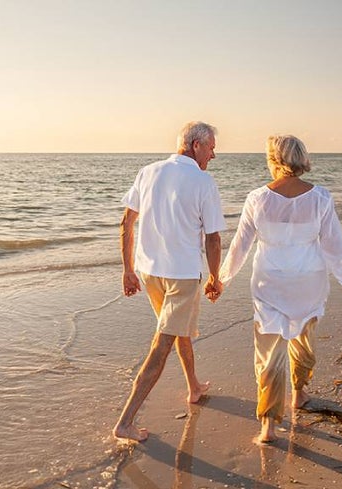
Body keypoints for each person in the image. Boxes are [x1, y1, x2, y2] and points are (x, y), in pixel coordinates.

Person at [214, 134, 342, 444]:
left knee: (269, 354)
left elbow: (240, 248)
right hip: (308, 283)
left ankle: (268, 425)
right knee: (303, 341)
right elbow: (336, 251)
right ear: (301, 159)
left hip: (269, 283)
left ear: (274, 160)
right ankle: (298, 393)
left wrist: (221, 279)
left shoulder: (257, 198)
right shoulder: (321, 198)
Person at [112, 121, 227, 442]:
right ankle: (125, 421)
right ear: (195, 146)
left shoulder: (148, 171)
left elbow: (126, 224)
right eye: (212, 147)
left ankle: (193, 386)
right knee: (162, 343)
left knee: (178, 330)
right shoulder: (203, 182)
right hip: (182, 276)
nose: (214, 154)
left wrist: (128, 270)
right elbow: (213, 238)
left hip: (150, 272)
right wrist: (216, 277)